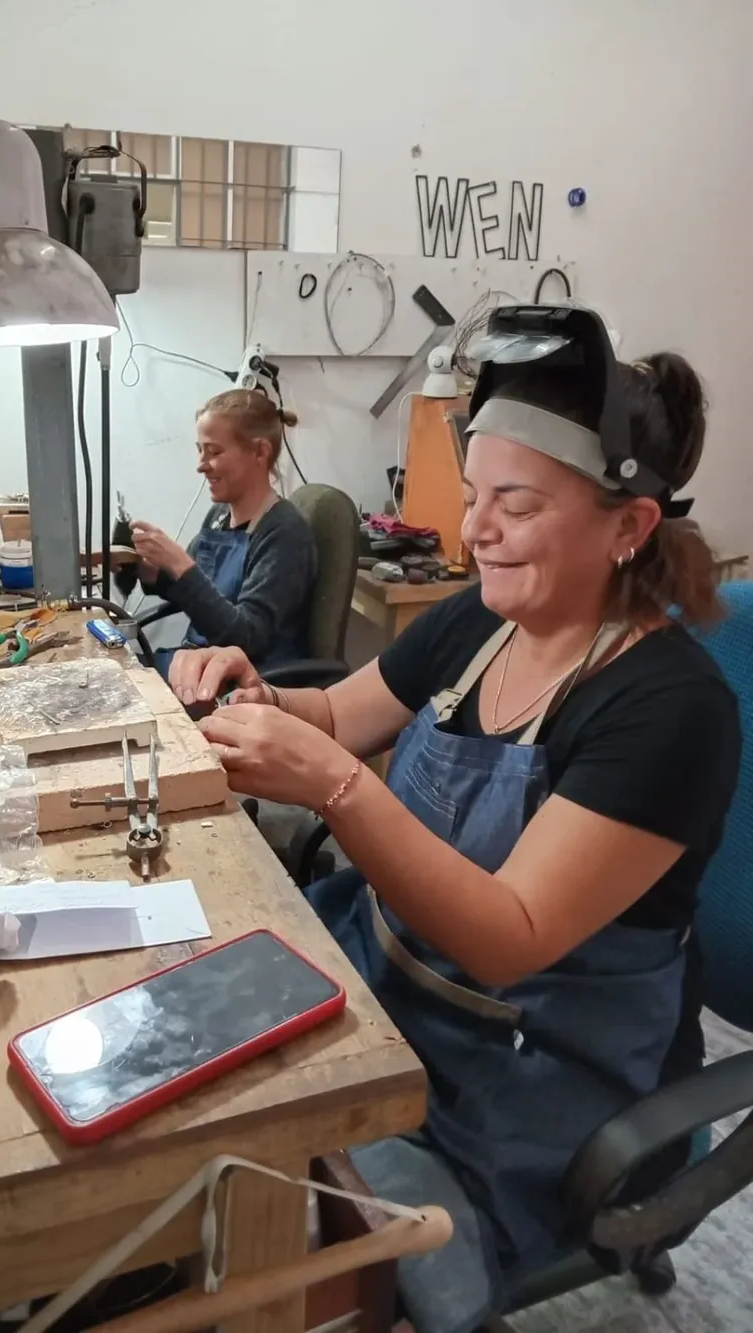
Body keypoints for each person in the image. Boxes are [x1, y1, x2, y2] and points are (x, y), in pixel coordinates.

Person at [168, 312, 741, 1333]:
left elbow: (507, 938)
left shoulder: (667, 710)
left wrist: (340, 788)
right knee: (177, 1091)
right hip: (388, 979)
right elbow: (341, 712)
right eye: (475, 496)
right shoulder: (483, 617)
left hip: (528, 1073)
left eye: (512, 506)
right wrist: (254, 691)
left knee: (265, 1216)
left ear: (627, 528)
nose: (473, 530)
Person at [130, 389, 317, 680]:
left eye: (214, 452)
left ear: (260, 451)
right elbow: (192, 592)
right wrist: (148, 569)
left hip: (244, 685)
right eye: (199, 450)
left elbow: (247, 638)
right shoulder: (219, 517)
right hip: (199, 665)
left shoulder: (284, 533)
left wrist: (180, 564)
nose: (201, 465)